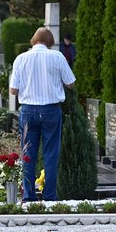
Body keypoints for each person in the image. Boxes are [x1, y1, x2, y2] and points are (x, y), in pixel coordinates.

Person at [10, 27, 76, 201]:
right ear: (50, 42)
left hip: (28, 110)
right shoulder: (57, 57)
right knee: (51, 154)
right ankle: (49, 196)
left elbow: (13, 90)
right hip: (51, 110)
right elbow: (71, 83)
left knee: (27, 154)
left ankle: (28, 195)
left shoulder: (21, 59)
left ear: (33, 40)